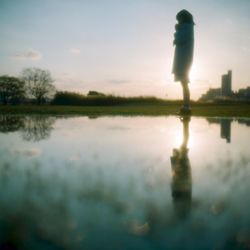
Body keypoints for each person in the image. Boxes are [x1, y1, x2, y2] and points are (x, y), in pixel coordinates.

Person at [172, 10, 195, 115]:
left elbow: (179, 39)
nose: (178, 21)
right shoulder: (187, 28)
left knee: (184, 84)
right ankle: (186, 106)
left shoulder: (187, 28)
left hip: (184, 60)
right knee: (183, 83)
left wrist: (177, 30)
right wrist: (178, 30)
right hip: (183, 60)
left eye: (179, 19)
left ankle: (186, 107)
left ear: (183, 18)